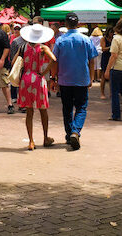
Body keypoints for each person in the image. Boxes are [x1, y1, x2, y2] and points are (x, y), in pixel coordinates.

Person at [50, 13, 98, 151]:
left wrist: (53, 79)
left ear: (65, 24)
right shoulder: (86, 40)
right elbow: (92, 59)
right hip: (82, 79)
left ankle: (69, 134)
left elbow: (54, 61)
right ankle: (75, 131)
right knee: (81, 107)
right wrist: (91, 77)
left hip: (65, 80)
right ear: (78, 24)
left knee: (67, 108)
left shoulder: (60, 40)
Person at [15, 24, 57, 150]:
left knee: (29, 111)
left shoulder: (22, 47)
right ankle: (45, 138)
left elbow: (14, 62)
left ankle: (31, 141)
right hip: (38, 79)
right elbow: (54, 60)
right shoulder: (43, 48)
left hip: (25, 80)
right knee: (43, 110)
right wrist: (44, 73)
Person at [99, 27, 114, 100]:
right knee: (103, 77)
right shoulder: (103, 39)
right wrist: (111, 47)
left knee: (112, 77)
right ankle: (102, 93)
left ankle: (112, 93)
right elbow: (103, 48)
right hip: (105, 58)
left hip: (112, 58)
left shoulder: (114, 39)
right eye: (111, 32)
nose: (112, 34)